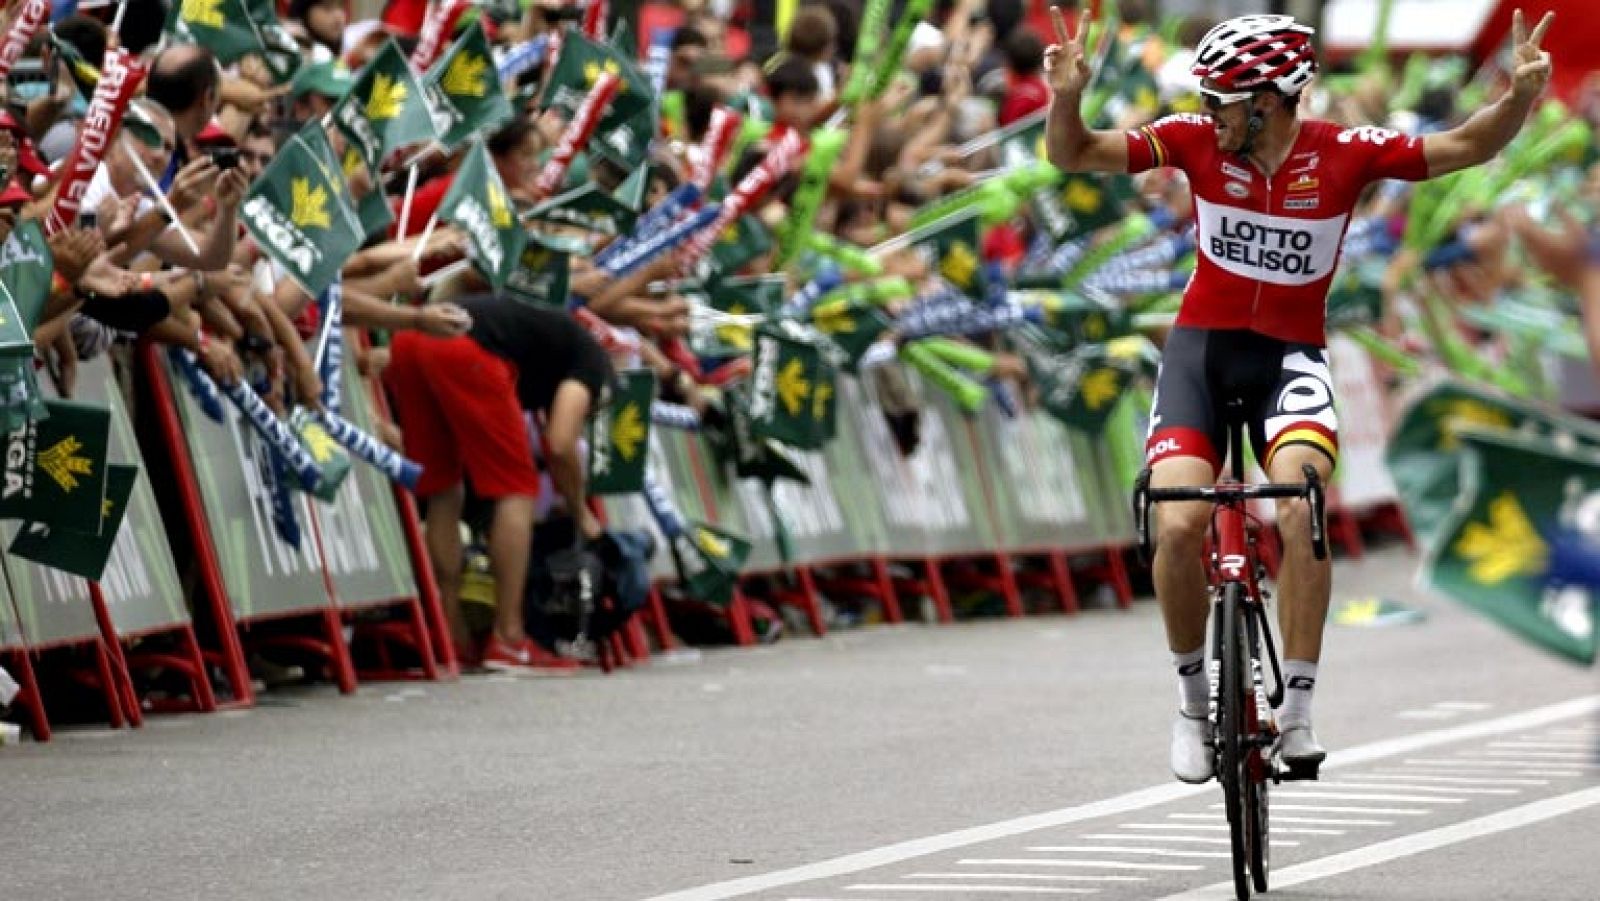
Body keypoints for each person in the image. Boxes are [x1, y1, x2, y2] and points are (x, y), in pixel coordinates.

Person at [1043, 8, 1555, 782]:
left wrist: (1517, 97)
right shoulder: (1190, 139)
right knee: (1177, 522)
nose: (1209, 113)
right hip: (1200, 356)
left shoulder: (1345, 154)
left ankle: (1301, 714)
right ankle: (1191, 703)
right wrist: (1066, 97)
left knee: (1301, 501)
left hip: (1290, 359)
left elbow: (1465, 145)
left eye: (1223, 99)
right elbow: (1073, 152)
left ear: (1272, 97)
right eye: (1207, 98)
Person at [382, 296, 614, 671]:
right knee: (516, 490)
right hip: (463, 345)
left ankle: (450, 636)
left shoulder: (548, 351)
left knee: (444, 488)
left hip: (412, 339)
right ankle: (509, 637)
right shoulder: (595, 366)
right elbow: (560, 443)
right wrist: (580, 510)